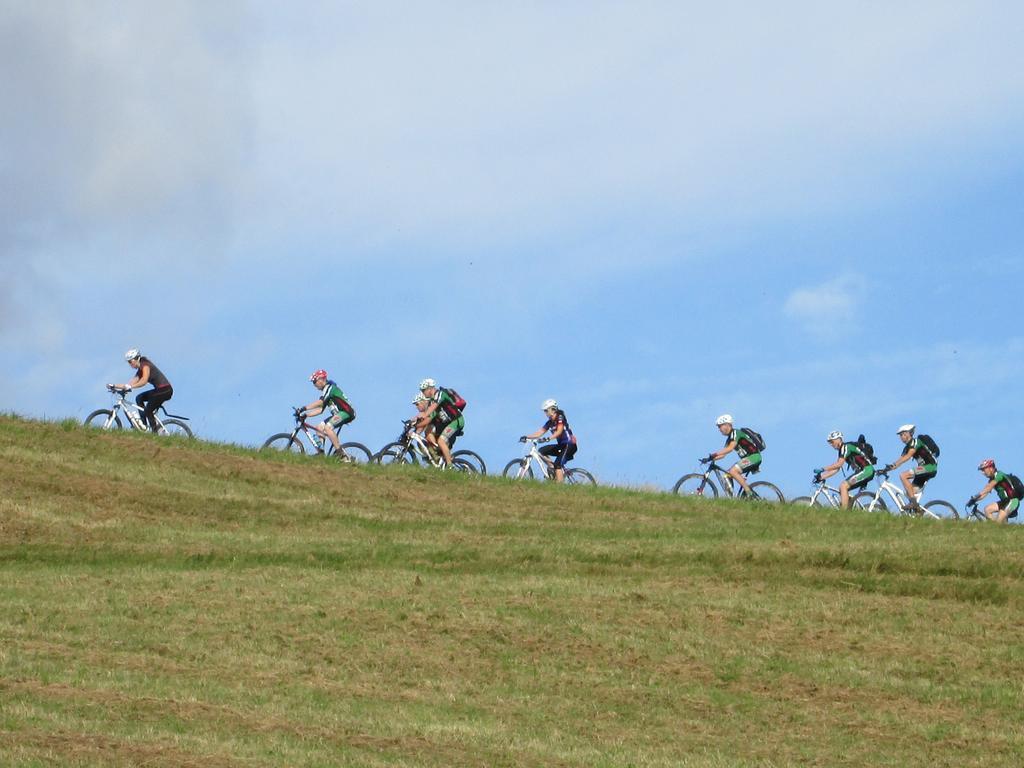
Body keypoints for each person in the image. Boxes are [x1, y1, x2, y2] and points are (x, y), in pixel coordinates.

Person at [299, 369, 355, 459]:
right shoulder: (325, 391)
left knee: (328, 428)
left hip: (346, 412)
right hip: (338, 414)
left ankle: (341, 454)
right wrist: (306, 415)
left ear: (321, 379)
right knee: (319, 427)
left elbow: (320, 402)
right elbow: (321, 409)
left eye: (314, 381)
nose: (314, 384)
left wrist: (304, 408)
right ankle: (321, 454)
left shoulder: (330, 388)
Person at [114, 348, 172, 432]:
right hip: (159, 390)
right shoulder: (140, 370)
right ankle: (144, 426)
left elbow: (144, 381)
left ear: (136, 358)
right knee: (139, 398)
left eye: (130, 361)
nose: (130, 364)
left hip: (165, 390)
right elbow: (129, 384)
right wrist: (114, 385)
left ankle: (154, 433)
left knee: (148, 410)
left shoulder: (145, 365)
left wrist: (131, 387)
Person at [881, 424, 938, 511]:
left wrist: (893, 466)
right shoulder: (906, 447)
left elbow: (907, 456)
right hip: (923, 470)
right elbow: (900, 460)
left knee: (903, 475)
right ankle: (918, 511)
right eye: (900, 435)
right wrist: (887, 469)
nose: (900, 437)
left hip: (930, 467)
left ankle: (913, 503)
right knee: (910, 491)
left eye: (901, 435)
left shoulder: (915, 442)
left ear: (907, 433)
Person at [704, 414, 762, 498]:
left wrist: (714, 454)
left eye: (720, 426)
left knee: (733, 471)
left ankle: (749, 493)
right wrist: (710, 459)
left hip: (754, 457)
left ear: (727, 425)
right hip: (749, 458)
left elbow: (730, 448)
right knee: (727, 475)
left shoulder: (735, 433)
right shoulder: (730, 438)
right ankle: (731, 498)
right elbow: (723, 455)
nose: (719, 429)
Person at [520, 399, 578, 482]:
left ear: (553, 409)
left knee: (558, 465)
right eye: (545, 411)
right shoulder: (550, 422)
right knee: (541, 451)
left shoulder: (560, 417)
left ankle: (559, 488)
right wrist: (527, 437)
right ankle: (552, 469)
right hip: (562, 446)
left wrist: (548, 438)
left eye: (547, 410)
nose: (545, 413)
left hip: (569, 445)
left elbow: (559, 431)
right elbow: (540, 432)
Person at [816, 430, 875, 509]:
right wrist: (822, 477)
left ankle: (844, 513)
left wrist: (823, 469)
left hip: (867, 470)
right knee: (843, 489)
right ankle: (849, 509)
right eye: (829, 442)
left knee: (843, 486)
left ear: (838, 439)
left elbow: (839, 464)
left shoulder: (846, 447)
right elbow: (837, 469)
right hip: (864, 471)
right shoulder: (842, 450)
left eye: (832, 441)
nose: (831, 444)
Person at [414, 378, 464, 467]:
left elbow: (430, 412)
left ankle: (450, 467)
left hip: (456, 420)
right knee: (428, 433)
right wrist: (414, 430)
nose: (423, 393)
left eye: (423, 390)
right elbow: (424, 417)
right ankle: (438, 456)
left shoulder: (440, 394)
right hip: (446, 424)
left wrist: (423, 416)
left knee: (441, 441)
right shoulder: (432, 401)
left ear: (429, 388)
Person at [968, 459, 1021, 523]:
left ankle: (997, 528)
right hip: (1004, 502)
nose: (983, 473)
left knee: (999, 519)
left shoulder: (999, 475)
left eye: (984, 469)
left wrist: (977, 495)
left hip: (1012, 501)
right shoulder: (991, 480)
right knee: (987, 509)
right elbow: (985, 493)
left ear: (990, 468)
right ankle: (993, 527)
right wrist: (974, 500)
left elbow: (989, 487)